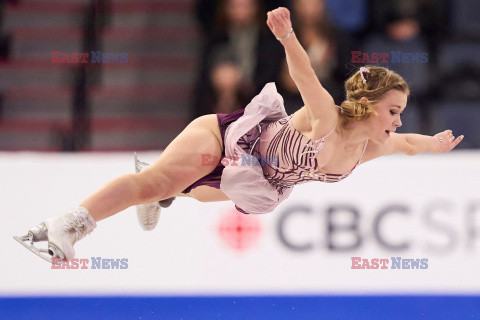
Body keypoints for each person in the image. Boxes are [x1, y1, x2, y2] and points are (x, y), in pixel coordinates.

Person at [14, 7, 463, 263]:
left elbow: (408, 144)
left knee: (183, 191)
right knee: (160, 183)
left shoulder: (369, 148)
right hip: (228, 139)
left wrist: (436, 145)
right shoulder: (326, 118)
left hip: (256, 178)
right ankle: (64, 225)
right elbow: (305, 75)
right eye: (394, 111)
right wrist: (288, 38)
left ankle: (157, 193)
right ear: (368, 107)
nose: (399, 122)